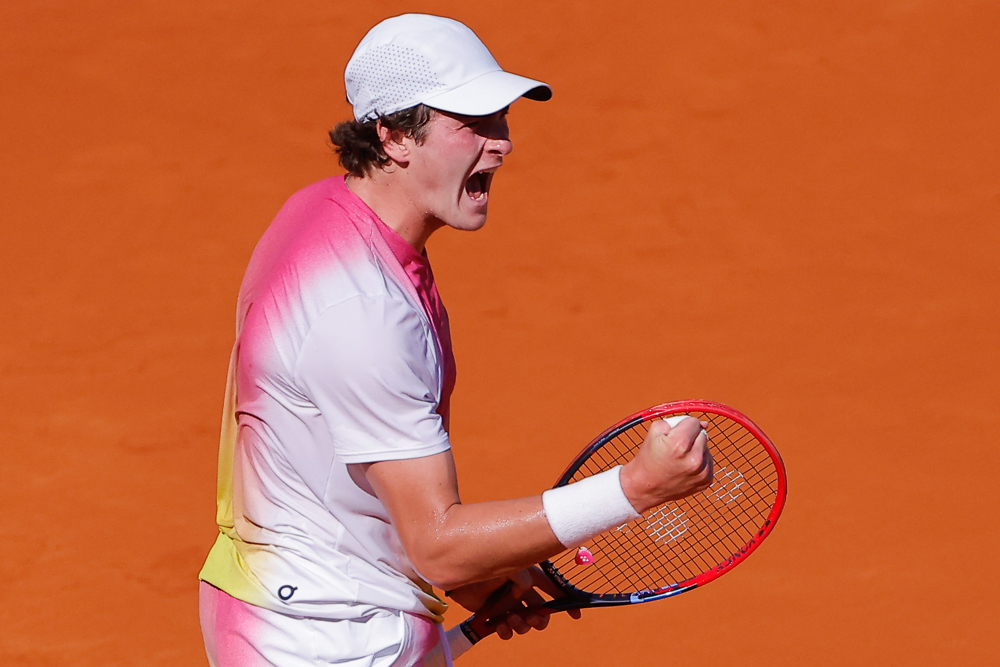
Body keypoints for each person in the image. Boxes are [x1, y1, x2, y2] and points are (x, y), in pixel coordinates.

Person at [198, 13, 713, 667]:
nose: (502, 143)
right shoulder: (364, 308)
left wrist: (481, 576)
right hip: (332, 639)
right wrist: (635, 487)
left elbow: (333, 460)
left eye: (501, 118)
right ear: (392, 136)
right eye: (472, 122)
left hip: (277, 602)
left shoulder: (321, 216)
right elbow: (438, 544)